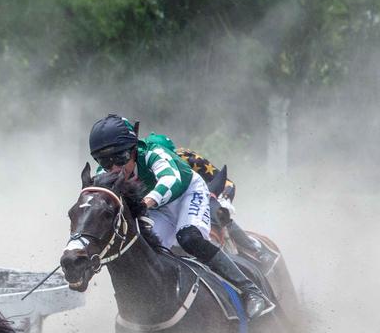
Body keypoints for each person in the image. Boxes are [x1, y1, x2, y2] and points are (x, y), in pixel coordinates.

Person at [89, 114, 273, 318]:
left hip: (187, 194)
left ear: (133, 149)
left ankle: (250, 290)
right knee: (143, 247)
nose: (114, 168)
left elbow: (170, 179)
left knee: (188, 237)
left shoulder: (152, 153)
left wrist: (145, 203)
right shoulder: (103, 176)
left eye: (120, 158)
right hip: (158, 208)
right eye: (105, 162)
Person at [177, 148, 276, 265]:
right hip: (182, 203)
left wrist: (222, 199)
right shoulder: (151, 168)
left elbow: (227, 183)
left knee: (219, 213)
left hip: (214, 193)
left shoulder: (188, 159)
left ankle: (255, 249)